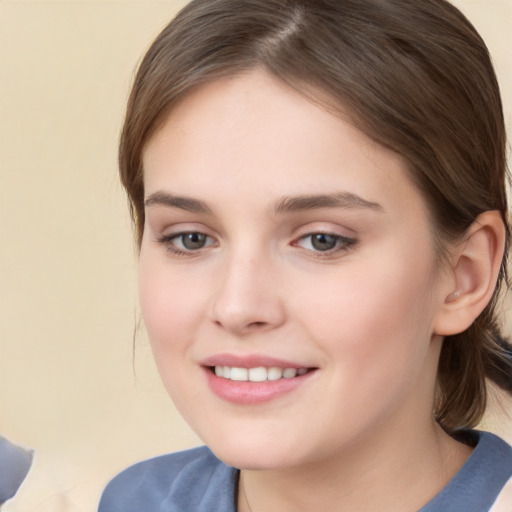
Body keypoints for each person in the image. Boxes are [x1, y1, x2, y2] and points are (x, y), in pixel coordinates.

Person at [98, 0, 512, 510]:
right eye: (191, 238)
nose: (238, 306)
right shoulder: (135, 501)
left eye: (322, 240)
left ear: (463, 276)